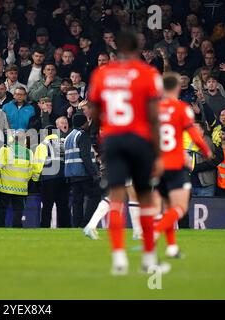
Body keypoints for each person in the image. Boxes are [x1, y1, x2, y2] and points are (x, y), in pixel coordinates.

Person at [88, 30, 164, 275]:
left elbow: (95, 110)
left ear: (117, 47)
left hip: (112, 139)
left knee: (117, 195)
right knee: (144, 198)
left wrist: (103, 138)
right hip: (139, 139)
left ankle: (119, 258)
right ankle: (149, 259)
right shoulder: (148, 73)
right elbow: (153, 114)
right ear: (137, 48)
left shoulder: (102, 73)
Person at [154, 72, 212, 258]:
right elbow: (194, 134)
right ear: (177, 88)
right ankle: (153, 232)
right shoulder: (182, 109)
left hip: (159, 165)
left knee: (168, 206)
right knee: (180, 207)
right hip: (176, 164)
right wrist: (206, 149)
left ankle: (171, 247)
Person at [0, 130, 39, 227]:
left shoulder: (6, 150)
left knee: (1, 209)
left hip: (4, 186)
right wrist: (31, 180)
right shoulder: (29, 153)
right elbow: (34, 170)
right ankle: (17, 229)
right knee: (18, 211)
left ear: (13, 139)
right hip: (21, 188)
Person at [64, 113, 101, 228]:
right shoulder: (82, 135)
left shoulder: (69, 136)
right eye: (86, 122)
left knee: (77, 201)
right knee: (95, 196)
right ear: (83, 123)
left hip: (72, 174)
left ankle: (77, 225)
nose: (87, 124)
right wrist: (94, 173)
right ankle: (85, 223)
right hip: (83, 172)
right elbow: (86, 156)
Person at [34, 126, 70, 227]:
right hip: (63, 178)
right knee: (63, 205)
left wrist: (36, 179)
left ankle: (45, 226)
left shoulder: (43, 145)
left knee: (47, 206)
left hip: (48, 179)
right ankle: (65, 227)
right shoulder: (63, 144)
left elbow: (38, 164)